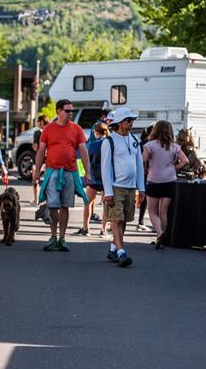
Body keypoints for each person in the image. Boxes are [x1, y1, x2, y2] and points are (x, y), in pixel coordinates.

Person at [33, 99, 90, 252]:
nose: (71, 113)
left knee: (65, 206)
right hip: (52, 172)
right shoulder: (48, 129)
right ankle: (53, 237)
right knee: (53, 205)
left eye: (72, 110)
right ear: (58, 111)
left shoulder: (77, 129)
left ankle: (62, 238)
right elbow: (41, 151)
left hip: (70, 173)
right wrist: (36, 172)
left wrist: (87, 172)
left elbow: (83, 151)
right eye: (67, 110)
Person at [101, 106, 145, 267]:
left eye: (132, 120)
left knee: (124, 220)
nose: (131, 122)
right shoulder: (109, 141)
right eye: (128, 120)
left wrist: (141, 188)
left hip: (131, 187)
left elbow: (139, 165)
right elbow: (105, 168)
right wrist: (108, 191)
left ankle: (113, 249)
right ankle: (121, 252)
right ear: (119, 122)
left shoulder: (134, 140)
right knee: (116, 220)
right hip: (115, 186)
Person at [143, 120, 188, 249]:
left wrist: (146, 169)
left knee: (152, 211)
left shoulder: (149, 145)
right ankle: (161, 239)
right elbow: (185, 160)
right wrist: (175, 168)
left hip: (154, 180)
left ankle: (159, 233)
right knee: (163, 212)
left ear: (155, 130)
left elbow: (142, 160)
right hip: (170, 180)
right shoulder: (175, 146)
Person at [76, 122, 110, 237]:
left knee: (88, 203)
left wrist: (85, 175)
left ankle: (86, 228)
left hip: (94, 177)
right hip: (107, 178)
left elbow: (85, 159)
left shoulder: (93, 145)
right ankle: (103, 230)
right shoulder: (110, 143)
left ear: (96, 132)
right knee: (106, 205)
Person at [32, 115, 49, 204]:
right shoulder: (50, 131)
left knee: (35, 180)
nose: (37, 123)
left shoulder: (37, 133)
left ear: (41, 122)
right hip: (49, 160)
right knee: (47, 181)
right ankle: (47, 200)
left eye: (38, 121)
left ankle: (36, 200)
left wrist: (33, 145)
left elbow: (35, 147)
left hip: (39, 159)